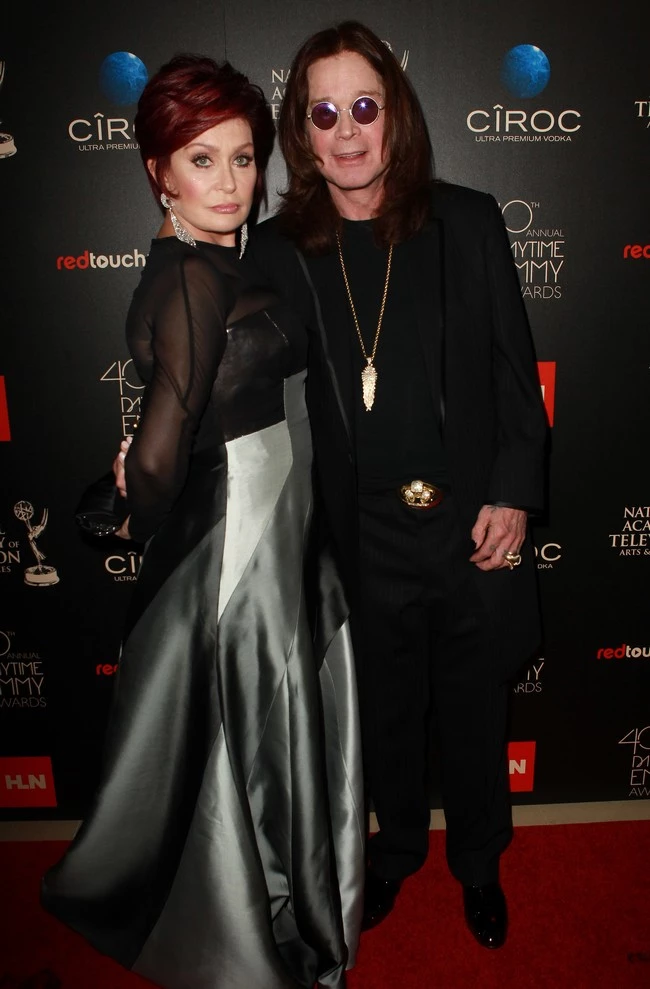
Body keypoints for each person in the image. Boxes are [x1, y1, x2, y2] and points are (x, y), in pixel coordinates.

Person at [42, 55, 364, 989]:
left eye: (243, 158)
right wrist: (132, 499)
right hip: (246, 544)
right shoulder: (190, 279)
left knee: (255, 733)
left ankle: (265, 897)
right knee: (255, 734)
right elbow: (157, 450)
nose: (230, 184)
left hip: (281, 522)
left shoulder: (216, 261)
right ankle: (253, 925)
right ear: (158, 172)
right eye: (200, 161)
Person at [248, 21, 547, 950]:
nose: (346, 132)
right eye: (324, 112)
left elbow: (513, 375)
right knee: (379, 715)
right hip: (358, 535)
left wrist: (512, 489)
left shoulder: (469, 219)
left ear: (395, 114)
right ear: (301, 129)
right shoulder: (280, 250)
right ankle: (394, 855)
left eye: (364, 107)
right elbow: (240, 389)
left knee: (470, 708)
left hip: (467, 525)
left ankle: (480, 863)